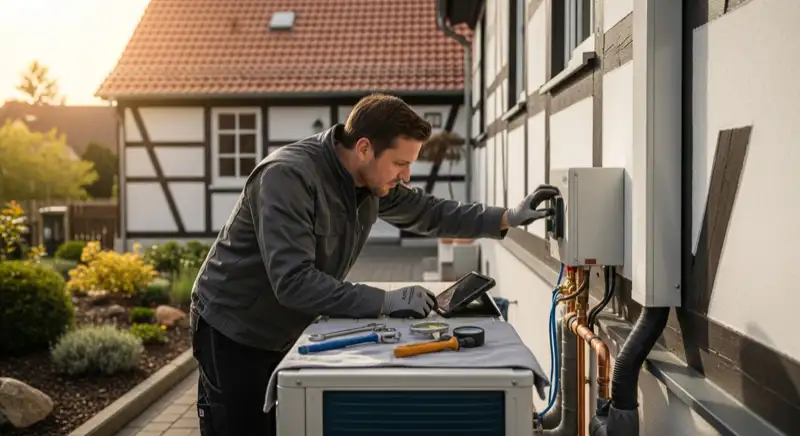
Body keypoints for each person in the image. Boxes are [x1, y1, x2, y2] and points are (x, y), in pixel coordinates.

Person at [189, 93, 560, 435]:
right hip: (233, 329)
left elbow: (429, 212)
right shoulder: (287, 177)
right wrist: (384, 301)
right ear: (364, 148)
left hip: (284, 327)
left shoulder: (369, 181)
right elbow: (294, 282)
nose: (406, 176)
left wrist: (507, 217)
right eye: (400, 163)